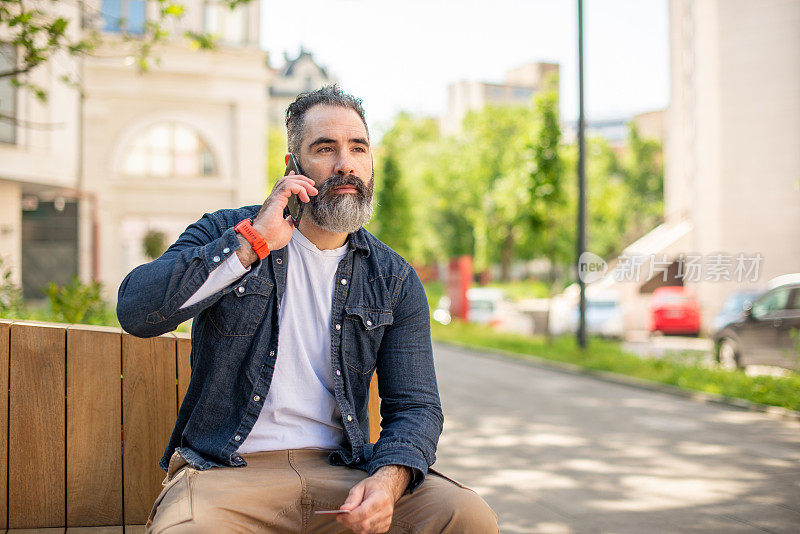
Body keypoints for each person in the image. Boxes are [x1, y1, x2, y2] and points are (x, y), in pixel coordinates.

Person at [117, 85, 498, 534]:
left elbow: (416, 407)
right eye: (325, 148)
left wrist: (386, 482)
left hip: (343, 473)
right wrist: (251, 243)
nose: (346, 164)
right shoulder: (228, 230)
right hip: (229, 474)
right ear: (292, 165)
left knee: (466, 515)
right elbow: (137, 311)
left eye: (358, 148)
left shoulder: (392, 277)